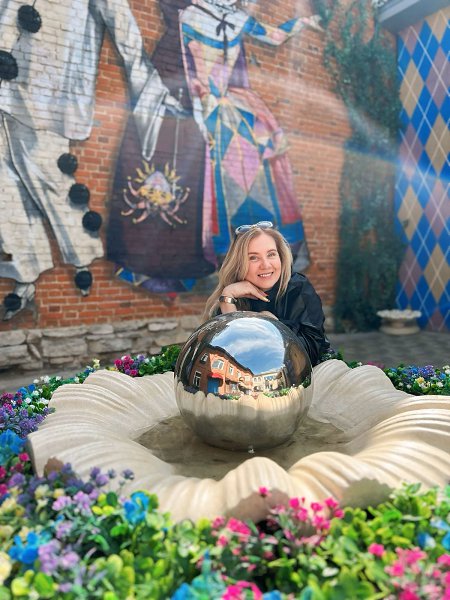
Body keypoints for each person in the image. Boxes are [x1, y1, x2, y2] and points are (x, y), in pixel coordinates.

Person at [0, 0, 183, 319]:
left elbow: (121, 23)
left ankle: (82, 258)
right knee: (5, 190)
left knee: (50, 176)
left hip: (47, 88)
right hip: (7, 81)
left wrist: (148, 87)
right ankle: (26, 272)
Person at [203, 221, 330, 366]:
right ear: (239, 264)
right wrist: (227, 298)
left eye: (271, 254)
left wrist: (272, 325)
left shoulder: (298, 288)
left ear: (281, 256)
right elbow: (230, 357)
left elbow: (311, 352)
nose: (265, 265)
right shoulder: (230, 295)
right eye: (253, 258)